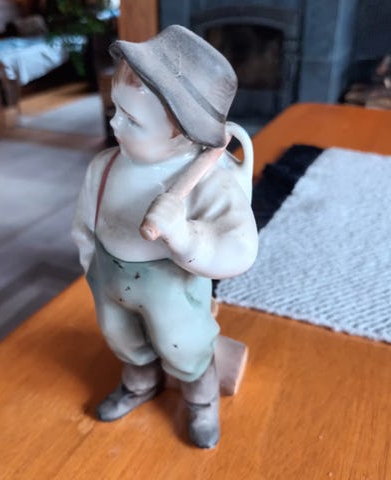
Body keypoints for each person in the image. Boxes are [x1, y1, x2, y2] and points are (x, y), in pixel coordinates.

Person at [72, 25, 258, 449]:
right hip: (109, 276)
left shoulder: (207, 182)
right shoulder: (104, 166)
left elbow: (240, 247)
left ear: (183, 135)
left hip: (170, 286)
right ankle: (139, 383)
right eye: (116, 109)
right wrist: (89, 264)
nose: (114, 122)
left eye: (131, 119)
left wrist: (185, 236)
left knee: (183, 345)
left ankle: (201, 400)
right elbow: (85, 221)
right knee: (121, 336)